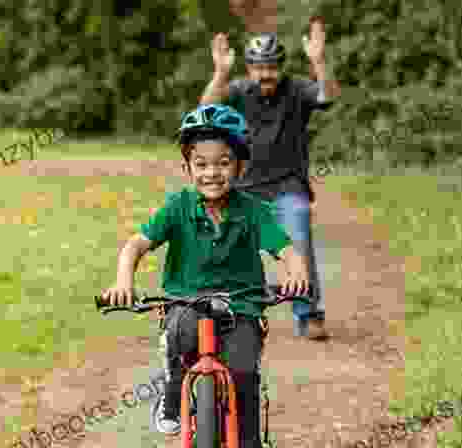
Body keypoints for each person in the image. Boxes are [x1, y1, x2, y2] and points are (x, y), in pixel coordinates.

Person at [101, 104, 311, 446]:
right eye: (201, 164)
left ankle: (248, 439)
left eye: (223, 163)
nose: (211, 172)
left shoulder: (253, 211)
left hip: (241, 306)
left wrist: (297, 272)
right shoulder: (178, 206)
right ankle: (172, 389)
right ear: (187, 168)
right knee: (178, 335)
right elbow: (136, 245)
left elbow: (286, 249)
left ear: (241, 166)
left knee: (244, 370)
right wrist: (124, 280)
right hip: (185, 303)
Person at [199, 18, 341, 339]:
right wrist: (220, 72)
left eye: (272, 67)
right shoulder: (237, 90)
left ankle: (308, 314)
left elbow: (327, 96)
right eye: (259, 67)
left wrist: (319, 61)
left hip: (287, 187)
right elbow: (206, 109)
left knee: (299, 239)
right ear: (249, 68)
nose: (265, 74)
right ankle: (230, 314)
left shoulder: (297, 89)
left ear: (281, 67)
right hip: (243, 189)